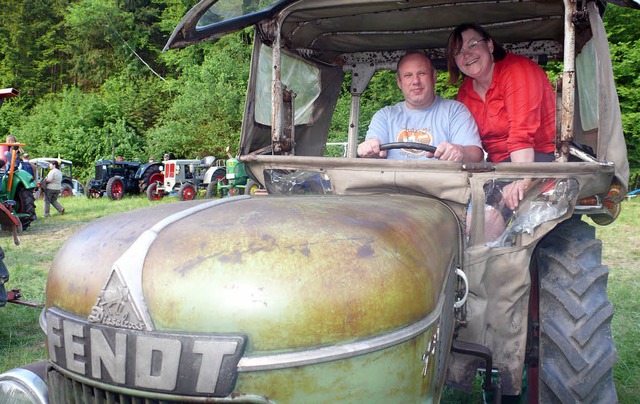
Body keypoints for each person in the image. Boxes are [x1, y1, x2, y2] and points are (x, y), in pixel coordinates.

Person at [446, 23, 556, 209]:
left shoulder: (518, 70)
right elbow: (469, 142)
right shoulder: (465, 92)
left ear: (489, 45)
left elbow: (521, 134)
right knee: (460, 212)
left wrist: (520, 179)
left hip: (539, 159)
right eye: (458, 52)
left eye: (473, 44)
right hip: (497, 167)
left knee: (490, 216)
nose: (466, 54)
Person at [357, 51, 483, 163]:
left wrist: (460, 151)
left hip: (441, 187)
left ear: (434, 77)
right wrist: (368, 147)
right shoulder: (384, 116)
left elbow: (476, 155)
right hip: (393, 187)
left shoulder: (455, 111)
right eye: (408, 75)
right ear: (399, 82)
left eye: (422, 73)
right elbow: (372, 154)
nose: (415, 81)